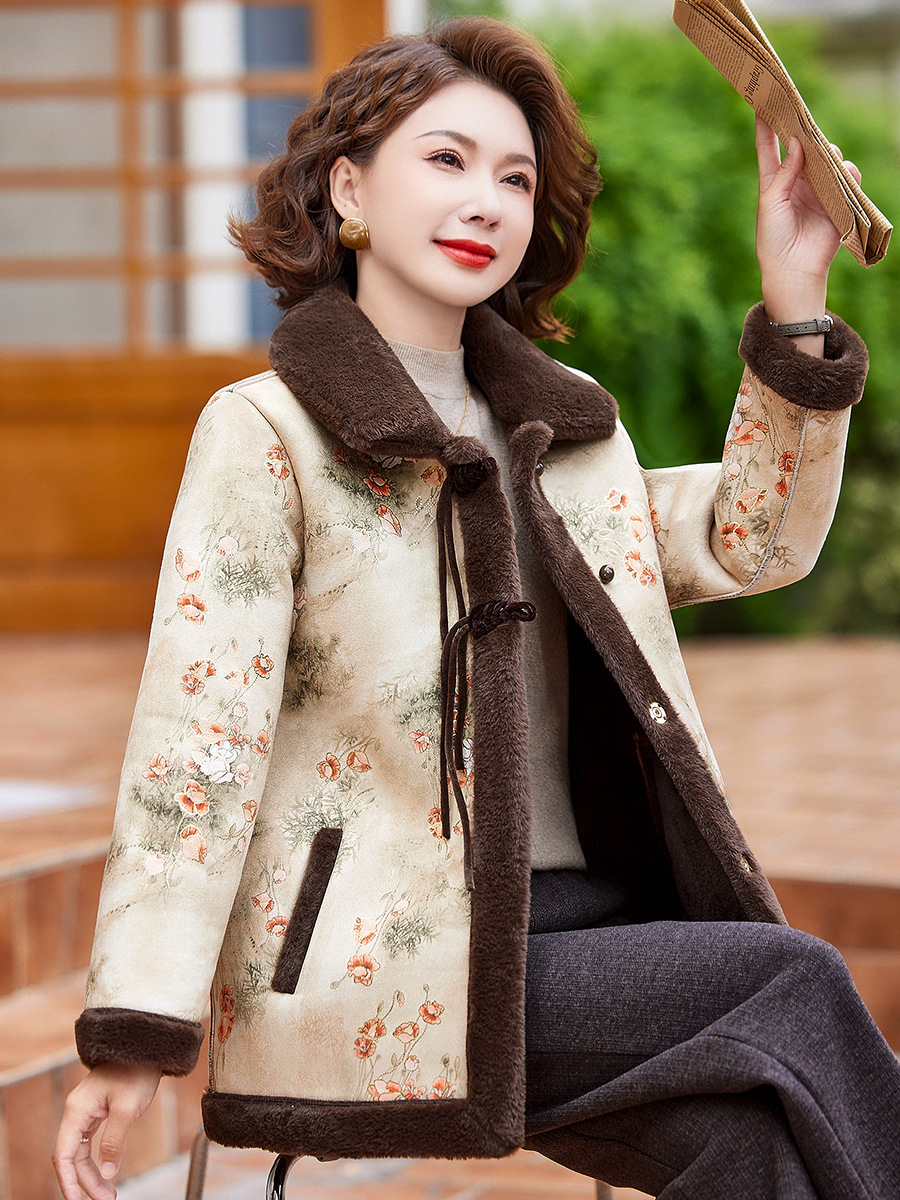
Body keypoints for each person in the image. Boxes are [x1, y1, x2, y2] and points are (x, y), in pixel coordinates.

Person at [53, 16, 899, 1200]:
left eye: (515, 179)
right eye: (446, 160)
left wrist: (795, 303)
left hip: (590, 932)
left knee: (755, 1152)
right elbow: (199, 742)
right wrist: (134, 1032)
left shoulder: (566, 425)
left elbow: (744, 539)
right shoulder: (266, 434)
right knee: (792, 980)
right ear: (350, 188)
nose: (486, 202)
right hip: (383, 965)